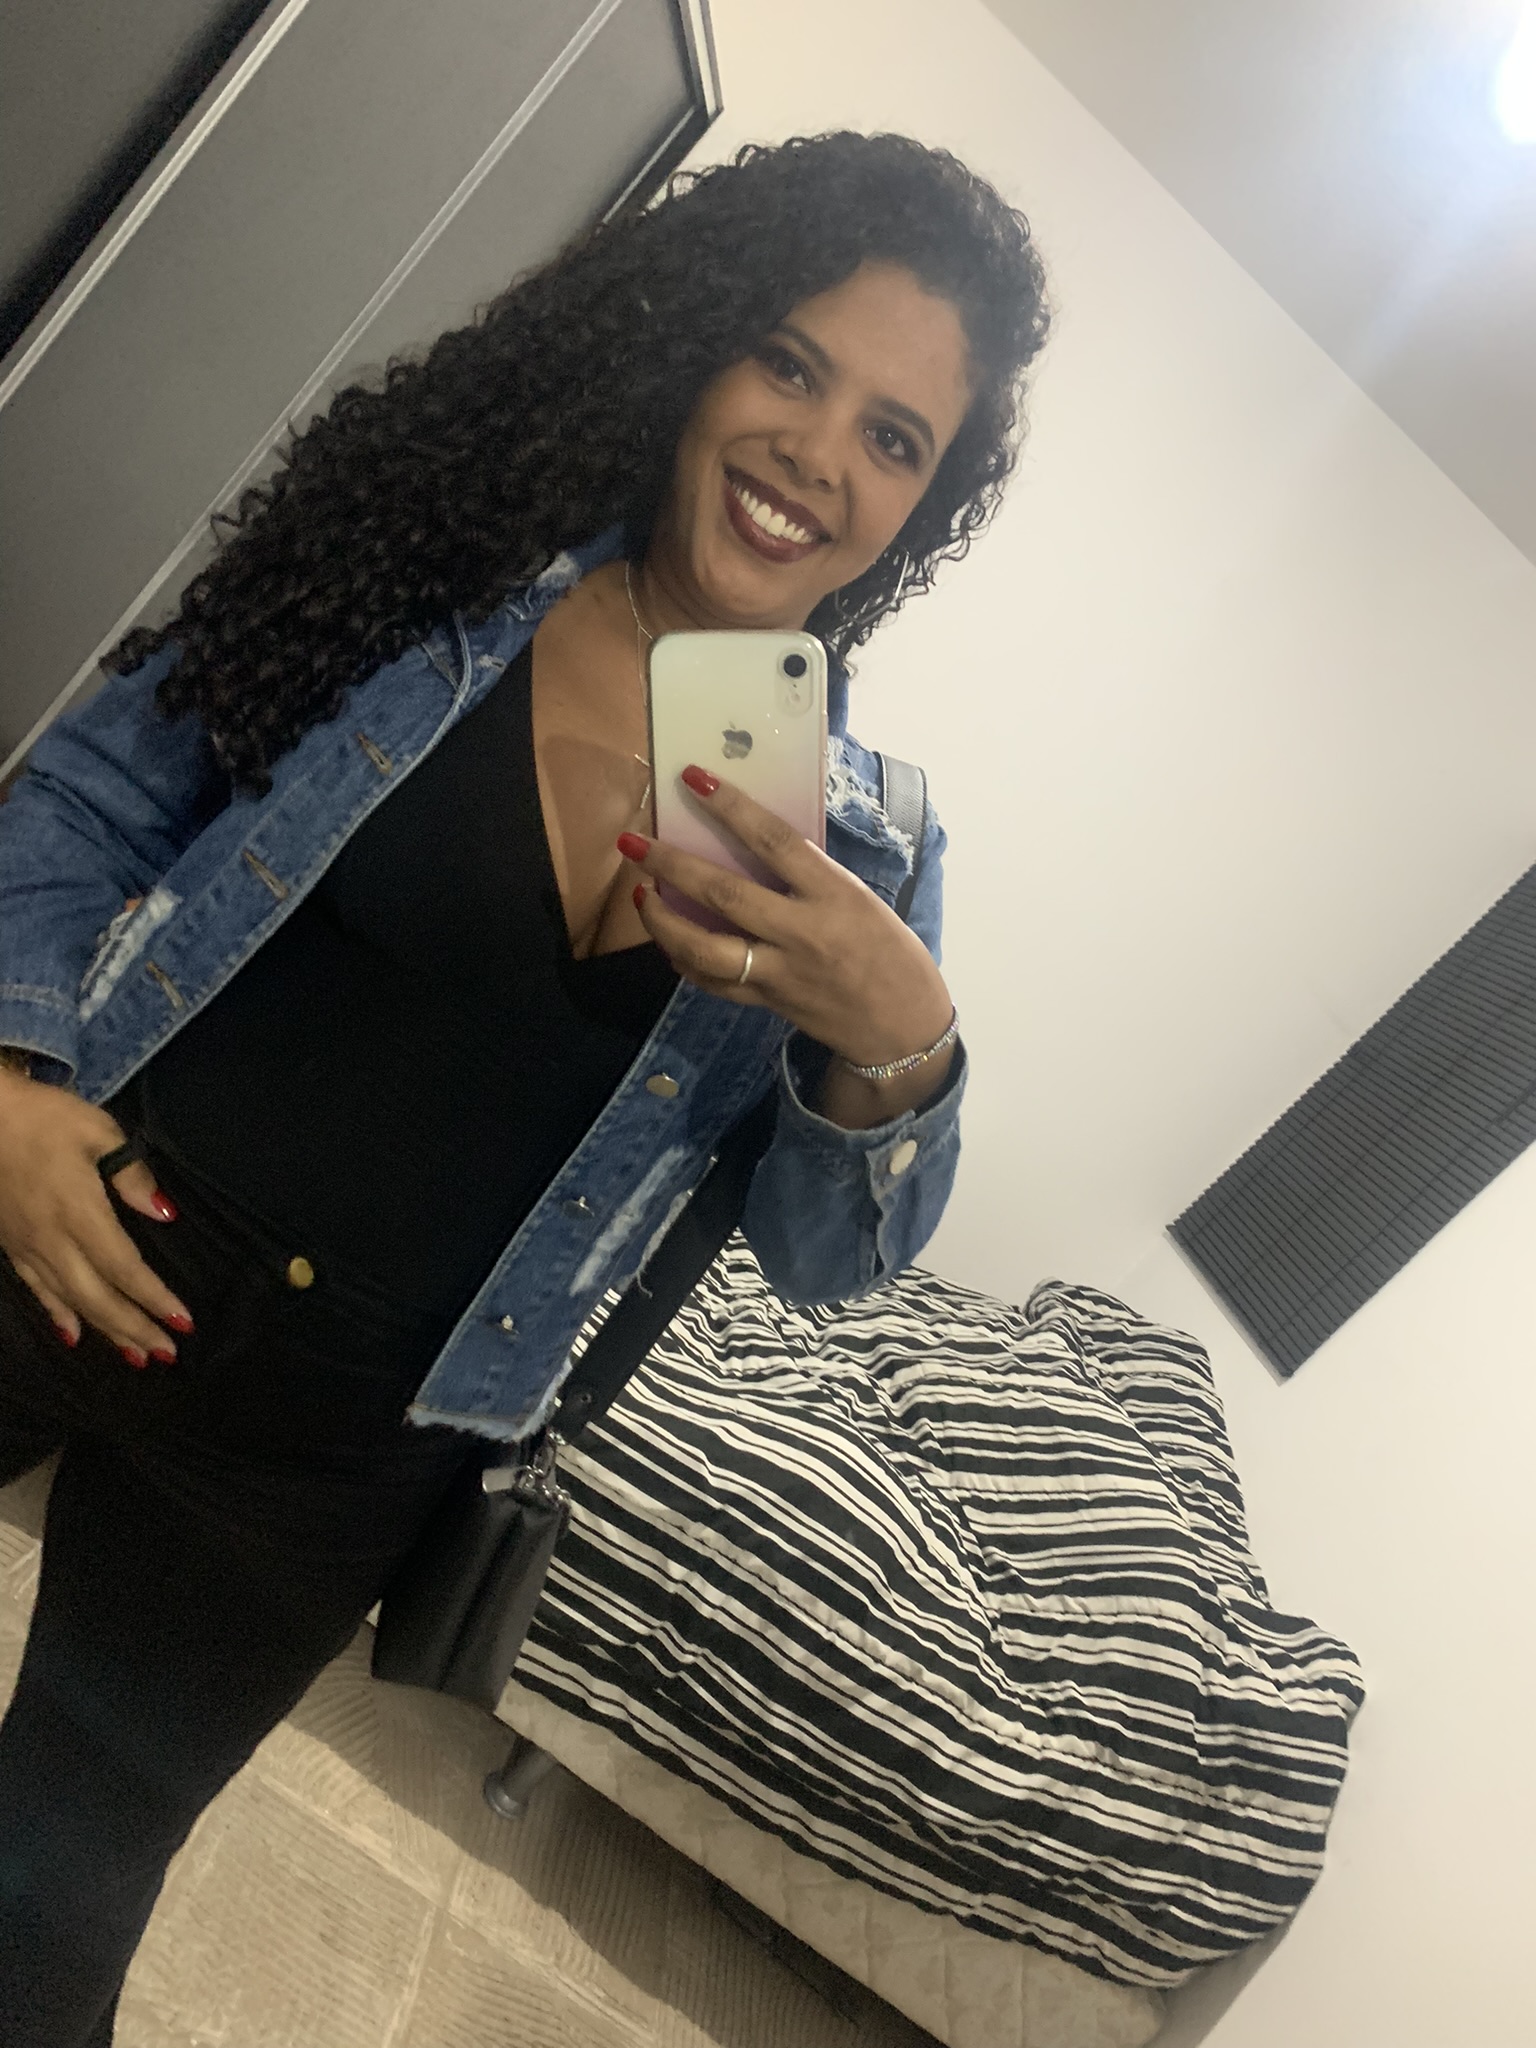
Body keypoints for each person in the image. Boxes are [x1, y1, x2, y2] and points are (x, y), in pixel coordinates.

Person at [0, 131, 1049, 2043]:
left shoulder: (860, 854)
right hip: (75, 1216)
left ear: (923, 504)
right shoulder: (431, 566)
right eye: (793, 364)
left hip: (330, 1445)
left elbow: (825, 1263)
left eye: (897, 437)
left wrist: (900, 1034)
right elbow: (87, 796)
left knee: (51, 1895)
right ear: (700, 345)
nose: (821, 454)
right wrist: (7, 1076)